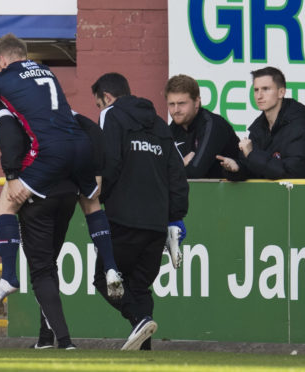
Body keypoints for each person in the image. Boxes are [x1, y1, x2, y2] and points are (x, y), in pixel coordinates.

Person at [0, 33, 123, 305]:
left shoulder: (3, 78)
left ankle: (9, 276)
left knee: (4, 206)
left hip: (50, 151)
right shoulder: (47, 71)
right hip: (80, 146)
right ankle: (111, 267)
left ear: (1, 61)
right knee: (91, 204)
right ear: (24, 53)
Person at [91, 73, 189, 350]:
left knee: (104, 278)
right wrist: (175, 215)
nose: (99, 110)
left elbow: (109, 163)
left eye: (98, 105)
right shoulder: (159, 123)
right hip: (156, 223)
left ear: (107, 98)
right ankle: (144, 352)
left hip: (123, 217)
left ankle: (138, 318)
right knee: (139, 287)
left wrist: (101, 198)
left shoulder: (111, 116)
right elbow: (176, 174)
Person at [0, 101, 79, 349]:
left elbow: (11, 140)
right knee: (49, 266)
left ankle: (64, 340)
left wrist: (12, 175)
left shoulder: (5, 105)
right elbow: (86, 133)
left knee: (41, 270)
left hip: (35, 189)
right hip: (68, 189)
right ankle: (45, 338)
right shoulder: (56, 106)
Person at [216, 66, 305, 180]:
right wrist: (237, 168)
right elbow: (257, 170)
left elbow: (291, 174)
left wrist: (252, 155)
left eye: (265, 89)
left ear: (281, 92)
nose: (259, 96)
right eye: (256, 90)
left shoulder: (298, 128)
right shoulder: (258, 129)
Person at [165, 74, 239, 178]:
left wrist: (177, 166)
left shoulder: (213, 125)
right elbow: (156, 171)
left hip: (235, 192)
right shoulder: (173, 128)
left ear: (196, 102)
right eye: (171, 104)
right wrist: (182, 164)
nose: (176, 110)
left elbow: (195, 172)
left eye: (181, 103)